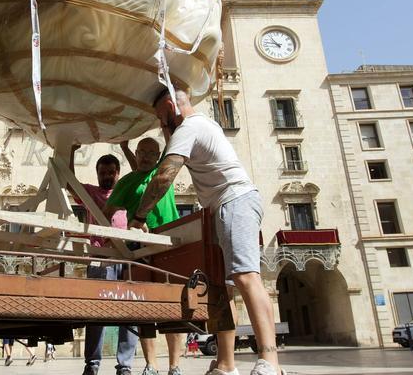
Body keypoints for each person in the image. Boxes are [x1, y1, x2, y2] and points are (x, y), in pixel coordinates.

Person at [128, 88, 285, 375]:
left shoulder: (190, 127)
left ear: (171, 105)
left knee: (246, 276)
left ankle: (270, 362)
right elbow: (172, 149)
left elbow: (164, 175)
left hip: (234, 200)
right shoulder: (199, 125)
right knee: (222, 288)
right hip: (221, 207)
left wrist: (139, 216)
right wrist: (168, 127)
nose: (162, 125)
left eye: (161, 118)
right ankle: (225, 364)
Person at [102, 138, 183, 375]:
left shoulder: (162, 171)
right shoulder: (126, 182)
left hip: (170, 242)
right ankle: (151, 364)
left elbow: (175, 144)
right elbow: (107, 211)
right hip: (138, 246)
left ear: (159, 155)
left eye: (152, 152)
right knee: (144, 306)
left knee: (173, 305)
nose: (147, 156)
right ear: (136, 154)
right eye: (142, 152)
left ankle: (175, 365)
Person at [71, 149, 138, 375]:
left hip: (127, 256)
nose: (107, 176)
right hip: (100, 257)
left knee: (130, 311)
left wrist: (127, 147)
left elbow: (142, 177)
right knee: (96, 311)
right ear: (97, 174)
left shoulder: (127, 192)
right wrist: (70, 150)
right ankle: (92, 364)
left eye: (111, 172)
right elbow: (70, 183)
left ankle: (125, 366)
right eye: (103, 173)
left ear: (118, 174)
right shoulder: (90, 192)